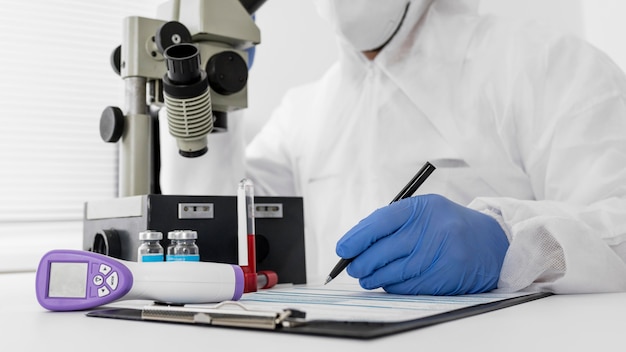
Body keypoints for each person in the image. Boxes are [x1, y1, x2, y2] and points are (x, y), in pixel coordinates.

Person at [161, 0, 626, 295]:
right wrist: (206, 98)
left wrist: (509, 244)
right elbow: (216, 226)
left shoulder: (545, 64)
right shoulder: (302, 112)